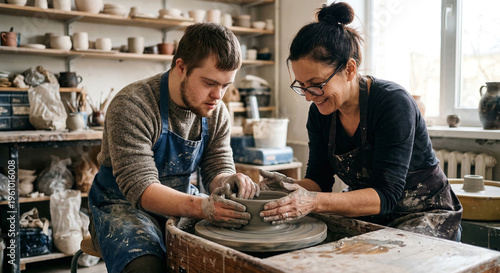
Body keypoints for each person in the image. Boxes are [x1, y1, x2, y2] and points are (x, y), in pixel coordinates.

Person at [259, 2, 462, 241]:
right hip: (370, 214)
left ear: (350, 69)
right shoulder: (321, 111)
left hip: (424, 215)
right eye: (301, 86)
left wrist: (312, 202)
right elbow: (319, 180)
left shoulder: (392, 103)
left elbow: (385, 196)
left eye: (316, 83)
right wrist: (287, 189)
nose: (308, 95)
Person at [88, 23, 260, 273]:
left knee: (233, 250)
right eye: (210, 83)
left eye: (225, 85)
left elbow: (216, 168)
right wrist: (203, 207)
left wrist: (229, 180)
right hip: (121, 206)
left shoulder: (216, 111)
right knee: (145, 265)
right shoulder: (133, 105)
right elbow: (142, 189)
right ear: (181, 67)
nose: (218, 95)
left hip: (181, 199)